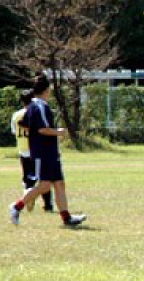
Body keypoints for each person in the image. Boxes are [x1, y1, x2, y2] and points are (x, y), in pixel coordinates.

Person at [8, 74, 87, 227]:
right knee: (44, 185)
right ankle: (16, 207)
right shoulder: (39, 106)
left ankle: (67, 218)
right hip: (43, 153)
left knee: (59, 184)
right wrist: (59, 132)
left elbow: (25, 123)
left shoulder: (32, 106)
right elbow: (42, 129)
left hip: (49, 152)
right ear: (46, 90)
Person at [11, 89, 54, 213]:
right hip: (35, 149)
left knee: (27, 179)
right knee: (44, 178)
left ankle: (27, 196)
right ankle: (47, 204)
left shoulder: (16, 115)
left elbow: (14, 131)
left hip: (22, 149)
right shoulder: (34, 113)